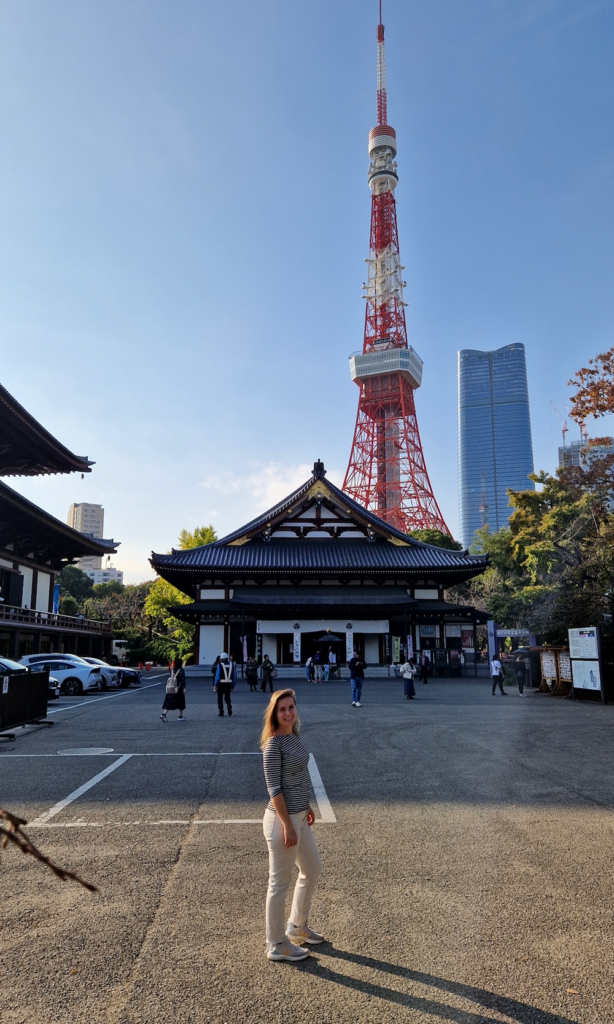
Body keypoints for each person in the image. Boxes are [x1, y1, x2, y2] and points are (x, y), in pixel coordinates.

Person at [261, 688, 324, 962]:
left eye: (291, 707)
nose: (288, 713)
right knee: (279, 883)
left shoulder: (294, 735)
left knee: (312, 869)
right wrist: (287, 824)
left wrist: (306, 805)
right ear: (274, 714)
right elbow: (274, 789)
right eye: (282, 709)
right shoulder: (273, 745)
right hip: (281, 821)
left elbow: (297, 777)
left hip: (299, 815)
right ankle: (276, 943)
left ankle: (297, 926)